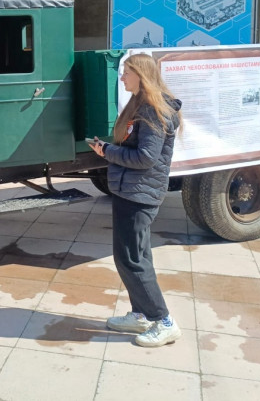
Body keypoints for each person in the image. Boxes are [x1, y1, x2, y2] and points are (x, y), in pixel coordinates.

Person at [89, 53, 183, 348]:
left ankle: (164, 321)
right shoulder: (140, 104)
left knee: (132, 259)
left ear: (141, 75)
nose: (122, 78)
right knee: (133, 257)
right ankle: (141, 313)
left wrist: (107, 152)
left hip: (140, 193)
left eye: (126, 73)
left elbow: (145, 158)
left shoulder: (154, 110)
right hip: (130, 190)